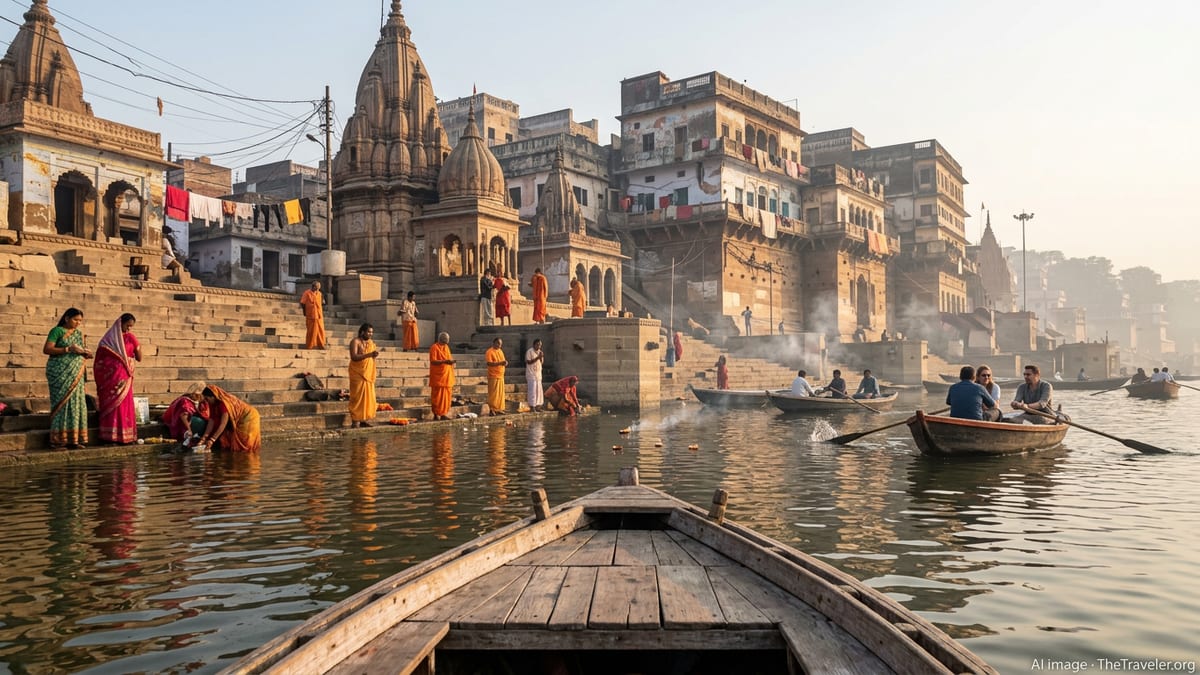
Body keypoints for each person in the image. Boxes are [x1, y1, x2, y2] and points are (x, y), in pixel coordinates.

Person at [43, 308, 93, 449]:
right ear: (66, 318)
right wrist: (68, 349)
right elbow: (47, 349)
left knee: (77, 405)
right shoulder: (57, 331)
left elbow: (79, 351)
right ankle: (58, 440)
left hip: (75, 373)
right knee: (62, 405)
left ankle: (74, 439)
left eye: (80, 321)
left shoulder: (78, 334)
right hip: (59, 373)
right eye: (75, 319)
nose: (78, 323)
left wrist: (86, 353)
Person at [94, 313, 143, 444]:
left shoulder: (131, 338)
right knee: (112, 407)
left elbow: (139, 358)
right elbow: (100, 359)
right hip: (110, 379)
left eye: (131, 327)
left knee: (124, 406)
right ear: (119, 323)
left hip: (124, 377)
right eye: (127, 325)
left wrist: (135, 348)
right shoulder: (108, 339)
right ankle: (110, 437)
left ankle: (126, 436)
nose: (128, 329)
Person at [196, 385, 261, 452]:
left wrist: (212, 440)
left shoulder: (224, 404)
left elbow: (223, 424)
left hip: (249, 416)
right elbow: (211, 421)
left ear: (213, 397)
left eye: (207, 399)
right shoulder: (212, 404)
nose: (206, 401)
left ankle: (247, 457)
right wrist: (203, 439)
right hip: (240, 417)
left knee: (245, 443)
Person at [348, 323, 380, 428]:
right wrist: (369, 355)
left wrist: (373, 356)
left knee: (367, 398)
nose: (370, 334)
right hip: (357, 373)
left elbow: (371, 359)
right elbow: (354, 357)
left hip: (367, 373)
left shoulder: (371, 343)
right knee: (357, 397)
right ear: (362, 332)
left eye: (372, 332)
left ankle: (363, 419)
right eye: (368, 332)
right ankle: (355, 421)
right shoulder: (355, 342)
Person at [429, 332, 456, 420]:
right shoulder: (434, 347)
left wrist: (451, 361)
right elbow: (433, 361)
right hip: (438, 376)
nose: (448, 340)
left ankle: (443, 413)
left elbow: (448, 358)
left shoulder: (447, 347)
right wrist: (444, 361)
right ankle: (436, 414)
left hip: (446, 376)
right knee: (437, 396)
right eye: (446, 339)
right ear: (442, 339)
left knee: (446, 396)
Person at [300, 281, 326, 350]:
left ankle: (321, 345)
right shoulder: (307, 293)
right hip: (311, 315)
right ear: (313, 287)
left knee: (320, 331)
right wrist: (305, 312)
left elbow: (322, 303)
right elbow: (302, 303)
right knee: (311, 331)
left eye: (318, 288)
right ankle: (310, 346)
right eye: (316, 288)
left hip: (319, 315)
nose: (317, 290)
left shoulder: (320, 294)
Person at [485, 338, 508, 415]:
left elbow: (502, 361)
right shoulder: (489, 352)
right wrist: (500, 363)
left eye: (500, 344)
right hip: (493, 375)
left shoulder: (500, 351)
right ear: (494, 343)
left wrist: (505, 363)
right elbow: (489, 363)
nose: (499, 345)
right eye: (498, 343)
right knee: (493, 394)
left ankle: (499, 408)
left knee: (500, 394)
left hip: (500, 375)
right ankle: (492, 409)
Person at [525, 339, 545, 410]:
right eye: (537, 344)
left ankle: (538, 406)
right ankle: (532, 406)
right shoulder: (529, 351)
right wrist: (537, 358)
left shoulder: (540, 352)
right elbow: (528, 362)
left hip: (538, 374)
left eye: (540, 345)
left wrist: (541, 358)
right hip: (531, 374)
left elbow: (541, 363)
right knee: (532, 390)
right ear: (534, 344)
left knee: (539, 391)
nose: (539, 346)